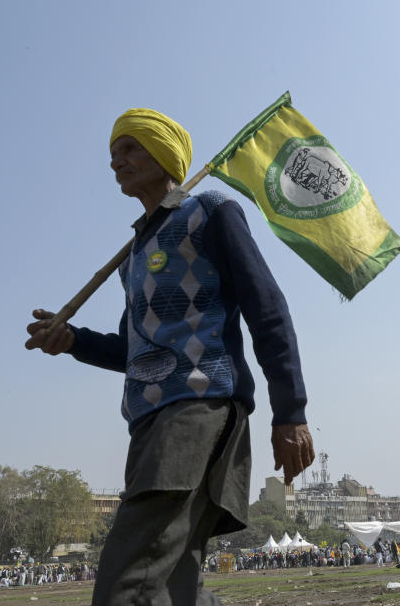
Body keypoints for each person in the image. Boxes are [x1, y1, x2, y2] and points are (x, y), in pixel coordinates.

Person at [25, 107, 315, 605]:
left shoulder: (210, 213)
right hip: (148, 420)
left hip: (199, 407)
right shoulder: (133, 254)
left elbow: (267, 311)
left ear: (164, 154)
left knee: (128, 581)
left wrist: (290, 412)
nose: (118, 161)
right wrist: (73, 341)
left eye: (130, 148)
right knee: (177, 584)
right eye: (113, 153)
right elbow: (133, 350)